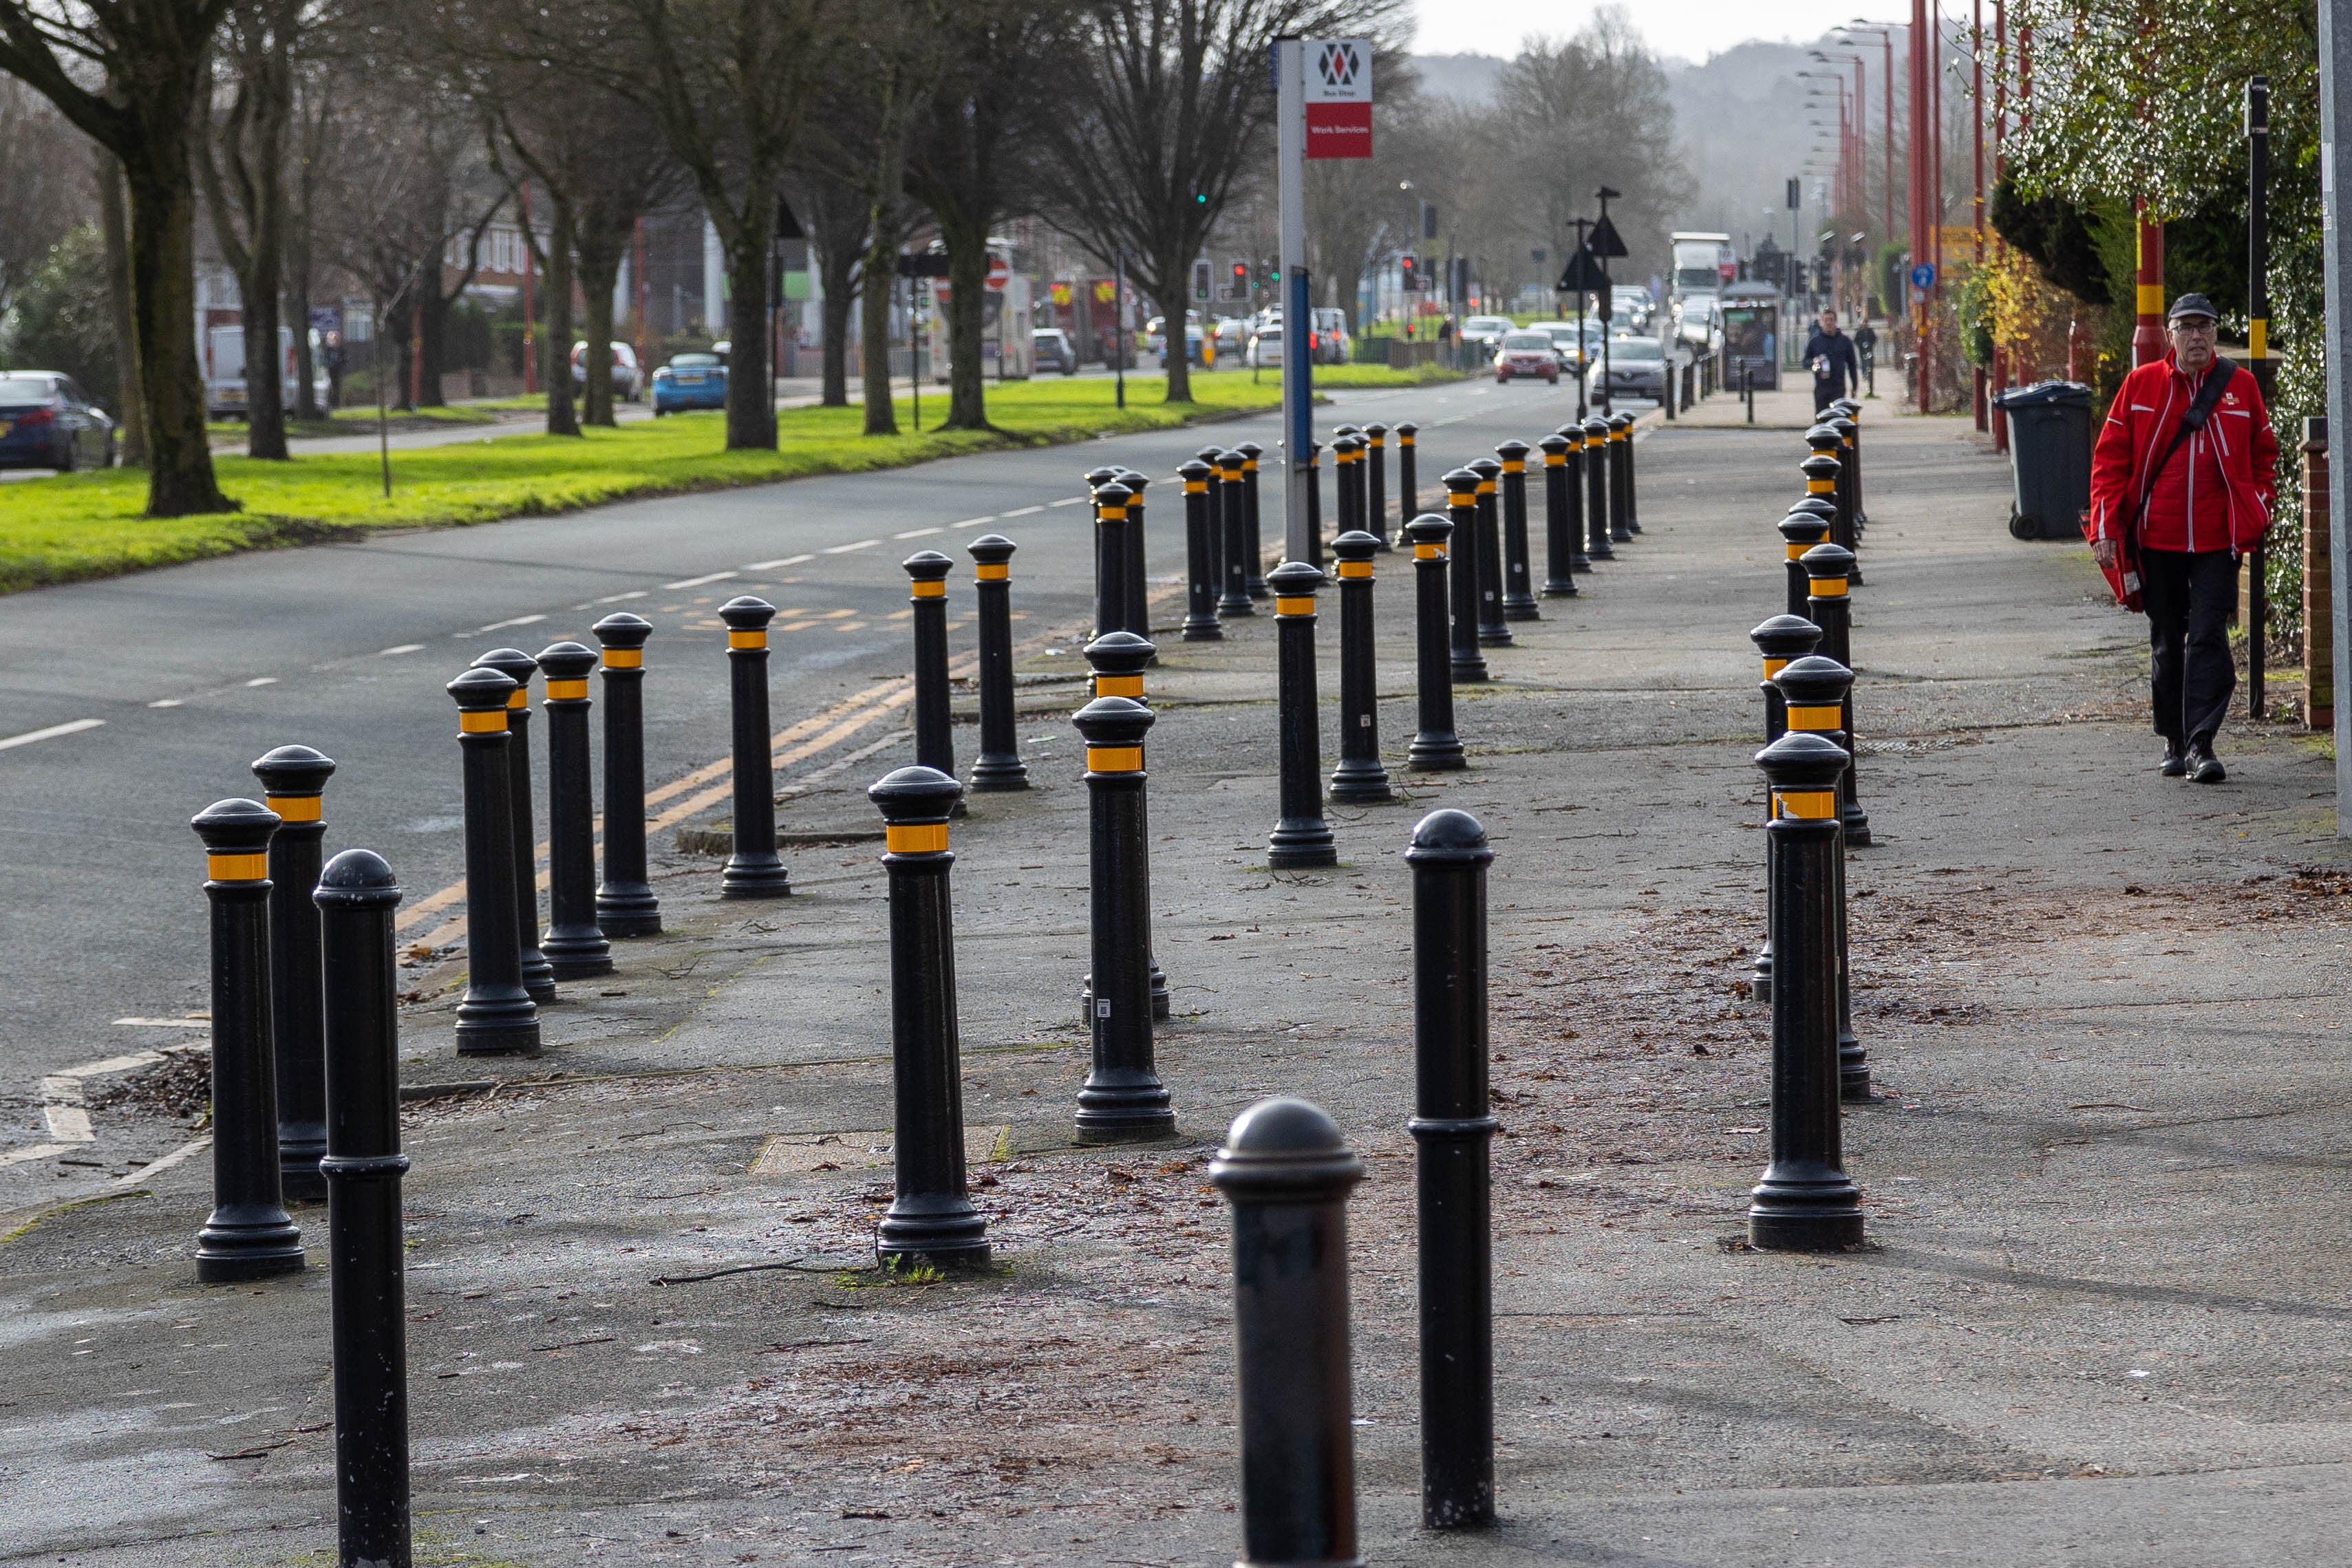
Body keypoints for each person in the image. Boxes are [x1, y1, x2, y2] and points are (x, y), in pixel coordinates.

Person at [2088, 293, 2278, 783]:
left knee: (2211, 636)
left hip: (2219, 539)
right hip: (2159, 539)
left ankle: (2201, 743)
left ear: (2215, 334)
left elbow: (2264, 455)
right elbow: (2110, 460)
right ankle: (2174, 736)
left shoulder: (2241, 387)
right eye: (2187, 327)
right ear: (2170, 335)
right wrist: (2107, 525)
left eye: (2205, 328)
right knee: (2169, 638)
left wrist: (2260, 506)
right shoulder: (2141, 384)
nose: (2197, 336)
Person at [1803, 308, 1859, 413]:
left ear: (1835, 322)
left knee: (1837, 417)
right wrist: (1814, 362)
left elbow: (1852, 365)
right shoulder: (1815, 342)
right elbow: (1805, 362)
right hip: (1821, 387)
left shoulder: (1844, 341)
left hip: (1838, 387)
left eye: (1831, 320)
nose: (1829, 323)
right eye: (1826, 320)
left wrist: (1855, 386)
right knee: (1822, 418)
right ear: (1821, 322)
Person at [1852, 318, 1877, 396]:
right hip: (1862, 350)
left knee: (1869, 363)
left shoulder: (1870, 331)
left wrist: (1871, 344)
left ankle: (1869, 375)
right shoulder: (1859, 332)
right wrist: (1860, 345)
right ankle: (1864, 374)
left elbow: (1875, 339)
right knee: (1863, 362)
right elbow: (1855, 340)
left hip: (1869, 349)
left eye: (1866, 323)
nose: (1865, 325)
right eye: (1864, 323)